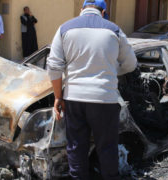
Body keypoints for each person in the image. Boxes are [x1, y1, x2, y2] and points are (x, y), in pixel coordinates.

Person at [47, 0, 137, 179]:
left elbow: (54, 67)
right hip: (105, 99)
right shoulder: (115, 30)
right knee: (107, 147)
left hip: (74, 99)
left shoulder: (64, 29)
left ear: (82, 10)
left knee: (76, 146)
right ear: (103, 12)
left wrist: (58, 97)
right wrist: (111, 70)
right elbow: (131, 64)